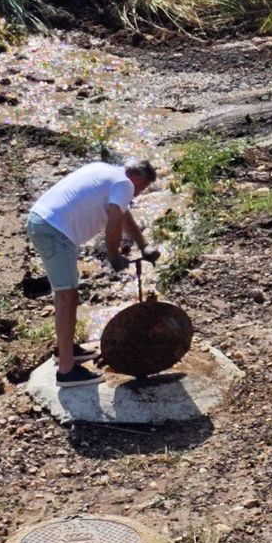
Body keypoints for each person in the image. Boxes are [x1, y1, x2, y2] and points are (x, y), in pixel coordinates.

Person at [26, 157, 157, 384]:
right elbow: (114, 222)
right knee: (67, 297)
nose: (137, 195)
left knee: (67, 294)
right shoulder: (124, 184)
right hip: (55, 230)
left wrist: (143, 245)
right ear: (136, 179)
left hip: (44, 222)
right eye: (141, 189)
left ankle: (67, 351)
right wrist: (113, 256)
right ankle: (66, 371)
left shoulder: (104, 170)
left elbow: (123, 214)